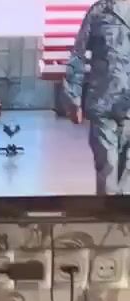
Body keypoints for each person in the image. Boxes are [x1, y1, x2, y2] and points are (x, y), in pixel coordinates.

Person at [64, 0, 130, 194]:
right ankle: (108, 212)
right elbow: (78, 55)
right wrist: (73, 98)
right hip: (103, 103)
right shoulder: (98, 12)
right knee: (107, 170)